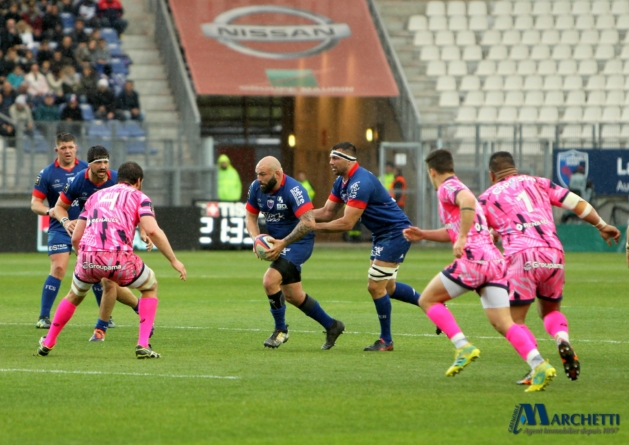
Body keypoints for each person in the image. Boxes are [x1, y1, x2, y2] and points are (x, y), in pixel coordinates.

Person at [403, 149, 556, 392]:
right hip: (495, 261)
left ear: (432, 172)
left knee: (428, 299)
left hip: (475, 259)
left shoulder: (448, 187)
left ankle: (462, 345)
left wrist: (462, 238)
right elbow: (455, 226)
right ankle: (539, 365)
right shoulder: (460, 188)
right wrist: (424, 234)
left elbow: (466, 201)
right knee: (503, 322)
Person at [478, 151, 620, 384]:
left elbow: (479, 233)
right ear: (515, 168)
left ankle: (537, 366)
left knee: (514, 320)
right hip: (553, 253)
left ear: (492, 175)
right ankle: (561, 339)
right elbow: (577, 203)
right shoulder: (539, 182)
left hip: (521, 255)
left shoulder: (486, 197)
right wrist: (601, 224)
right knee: (550, 311)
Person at [37, 161, 187, 359]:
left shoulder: (95, 196)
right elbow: (152, 230)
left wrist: (83, 259)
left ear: (118, 178)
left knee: (74, 294)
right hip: (117, 257)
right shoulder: (139, 197)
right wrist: (174, 260)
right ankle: (143, 344)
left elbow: (76, 237)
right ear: (139, 181)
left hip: (88, 256)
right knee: (150, 286)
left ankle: (48, 342)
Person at [313, 142, 421, 351]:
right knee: (388, 287)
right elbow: (327, 212)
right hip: (382, 234)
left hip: (395, 233)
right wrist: (300, 214)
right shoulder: (341, 182)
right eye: (330, 158)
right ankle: (431, 304)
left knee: (375, 286)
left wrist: (311, 228)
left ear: (349, 160)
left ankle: (386, 341)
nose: (330, 162)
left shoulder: (360, 182)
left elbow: (346, 223)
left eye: (335, 158)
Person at [245, 156, 345, 349]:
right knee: (293, 296)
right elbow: (250, 215)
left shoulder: (294, 190)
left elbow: (308, 223)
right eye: (257, 174)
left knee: (269, 280)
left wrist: (284, 243)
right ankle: (332, 325)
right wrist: (256, 239)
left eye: (263, 174)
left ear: (278, 173)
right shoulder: (256, 187)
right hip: (278, 243)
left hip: (299, 243)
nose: (259, 179)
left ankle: (280, 330)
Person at [53, 145, 145, 338]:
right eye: (98, 163)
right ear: (88, 165)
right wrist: (66, 221)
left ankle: (100, 329)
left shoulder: (115, 179)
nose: (103, 166)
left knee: (108, 282)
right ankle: (138, 308)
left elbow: (139, 203)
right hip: (89, 237)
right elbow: (59, 207)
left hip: (113, 237)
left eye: (106, 161)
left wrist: (143, 230)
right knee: (96, 285)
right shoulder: (79, 180)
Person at [30, 133, 92, 328]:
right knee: (58, 269)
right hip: (59, 228)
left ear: (76, 148)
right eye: (63, 148)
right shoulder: (47, 173)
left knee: (96, 271)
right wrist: (52, 212)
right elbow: (35, 203)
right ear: (56, 150)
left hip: (86, 228)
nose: (67, 151)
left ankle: (105, 319)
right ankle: (43, 317)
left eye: (71, 147)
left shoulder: (87, 170)